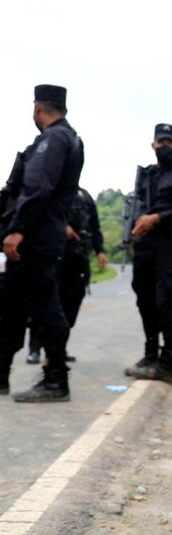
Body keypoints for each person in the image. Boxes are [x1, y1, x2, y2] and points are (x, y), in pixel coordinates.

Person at [0, 84, 84, 402]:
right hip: (39, 237)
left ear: (38, 108)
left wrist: (17, 230)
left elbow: (38, 188)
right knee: (10, 306)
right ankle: (2, 375)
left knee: (45, 309)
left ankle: (56, 380)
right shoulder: (67, 138)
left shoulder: (55, 138)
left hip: (34, 239)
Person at [124, 124, 172, 383]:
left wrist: (156, 218)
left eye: (169, 142)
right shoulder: (145, 176)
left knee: (167, 303)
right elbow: (136, 206)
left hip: (169, 247)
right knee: (145, 302)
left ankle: (166, 363)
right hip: (144, 248)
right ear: (153, 145)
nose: (164, 146)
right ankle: (149, 356)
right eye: (160, 142)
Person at [27, 186, 108, 364]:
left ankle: (58, 349)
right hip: (54, 256)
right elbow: (36, 216)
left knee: (71, 303)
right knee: (46, 302)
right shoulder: (50, 192)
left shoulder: (85, 196)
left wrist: (100, 250)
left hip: (79, 257)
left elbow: (94, 225)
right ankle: (35, 348)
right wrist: (61, 226)